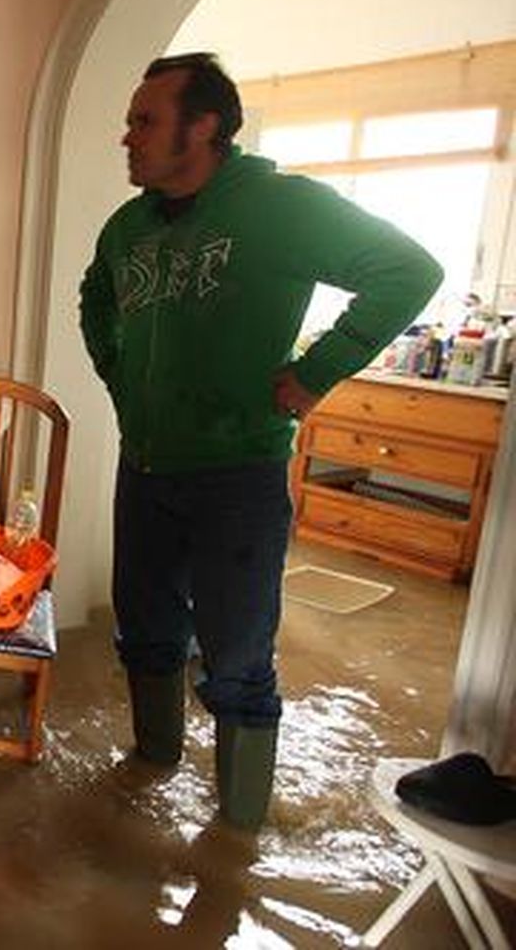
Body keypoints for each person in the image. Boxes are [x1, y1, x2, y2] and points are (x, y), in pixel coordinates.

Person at [78, 53, 441, 831]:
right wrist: (120, 379)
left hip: (237, 474)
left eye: (145, 120)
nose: (128, 136)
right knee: (144, 629)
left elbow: (408, 269)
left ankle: (235, 833)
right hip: (144, 467)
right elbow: (94, 297)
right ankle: (153, 760)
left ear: (202, 128)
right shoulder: (128, 225)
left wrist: (320, 371)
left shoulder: (281, 207)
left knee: (238, 657)